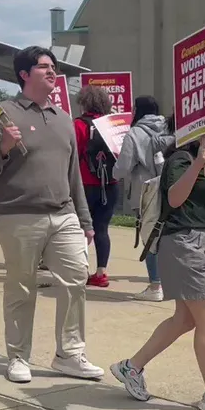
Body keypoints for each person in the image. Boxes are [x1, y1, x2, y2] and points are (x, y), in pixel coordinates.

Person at [0, 46, 103, 383]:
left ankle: (69, 354)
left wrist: (85, 220)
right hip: (17, 215)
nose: (52, 71)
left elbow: (73, 174)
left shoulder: (63, 119)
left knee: (76, 278)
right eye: (44, 66)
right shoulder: (2, 114)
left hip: (63, 214)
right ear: (23, 74)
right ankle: (18, 356)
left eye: (53, 66)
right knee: (21, 286)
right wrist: (3, 146)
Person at [110, 134, 205, 410]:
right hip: (185, 241)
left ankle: (131, 367)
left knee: (185, 319)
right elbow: (174, 198)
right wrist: (197, 163)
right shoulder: (181, 159)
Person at [115, 96, 174, 301]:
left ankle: (155, 285)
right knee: (168, 235)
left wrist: (114, 171)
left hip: (146, 191)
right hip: (171, 187)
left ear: (138, 110)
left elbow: (123, 167)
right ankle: (169, 283)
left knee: (150, 236)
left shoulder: (134, 133)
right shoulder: (169, 128)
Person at [73, 86, 121, 287]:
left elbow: (72, 154)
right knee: (102, 228)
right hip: (110, 183)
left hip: (85, 184)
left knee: (80, 229)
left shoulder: (78, 124)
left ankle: (80, 271)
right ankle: (101, 272)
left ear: (84, 102)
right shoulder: (113, 124)